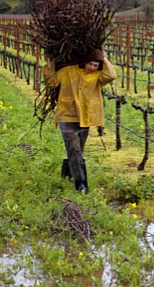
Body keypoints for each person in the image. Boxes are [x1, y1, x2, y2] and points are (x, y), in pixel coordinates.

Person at [43, 49, 116, 193]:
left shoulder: (97, 76)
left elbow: (111, 75)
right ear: (84, 62)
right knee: (75, 149)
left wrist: (104, 58)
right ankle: (81, 185)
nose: (93, 68)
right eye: (91, 64)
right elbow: (52, 83)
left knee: (77, 150)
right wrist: (51, 64)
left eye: (96, 65)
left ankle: (67, 174)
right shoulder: (68, 71)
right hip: (67, 115)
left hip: (86, 117)